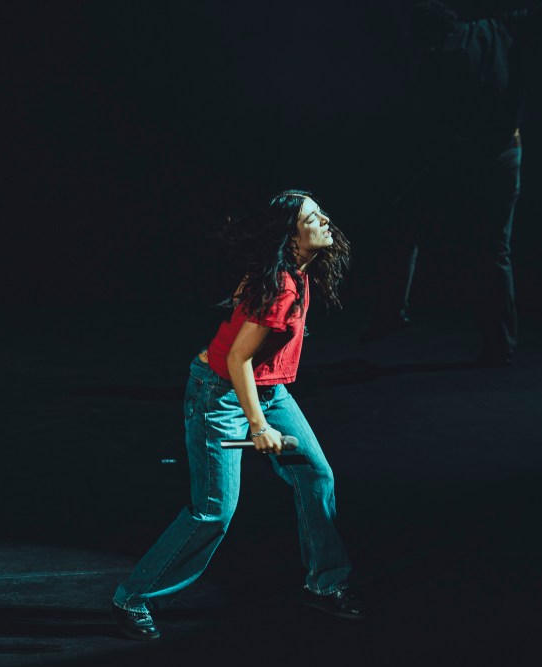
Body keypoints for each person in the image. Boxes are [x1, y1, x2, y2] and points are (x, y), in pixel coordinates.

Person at [111, 190, 364, 640]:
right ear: (291, 237)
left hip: (269, 389)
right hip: (221, 393)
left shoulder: (293, 273)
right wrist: (259, 426)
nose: (326, 220)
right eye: (312, 217)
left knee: (315, 475)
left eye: (322, 212)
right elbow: (237, 360)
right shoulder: (282, 286)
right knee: (214, 511)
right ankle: (134, 597)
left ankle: (325, 584)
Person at [361, 0, 542, 366]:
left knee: (409, 222)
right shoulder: (496, 27)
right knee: (493, 251)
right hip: (506, 151)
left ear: (429, 35)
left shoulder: (440, 60)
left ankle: (392, 311)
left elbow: (433, 120)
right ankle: (499, 345)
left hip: (469, 158)